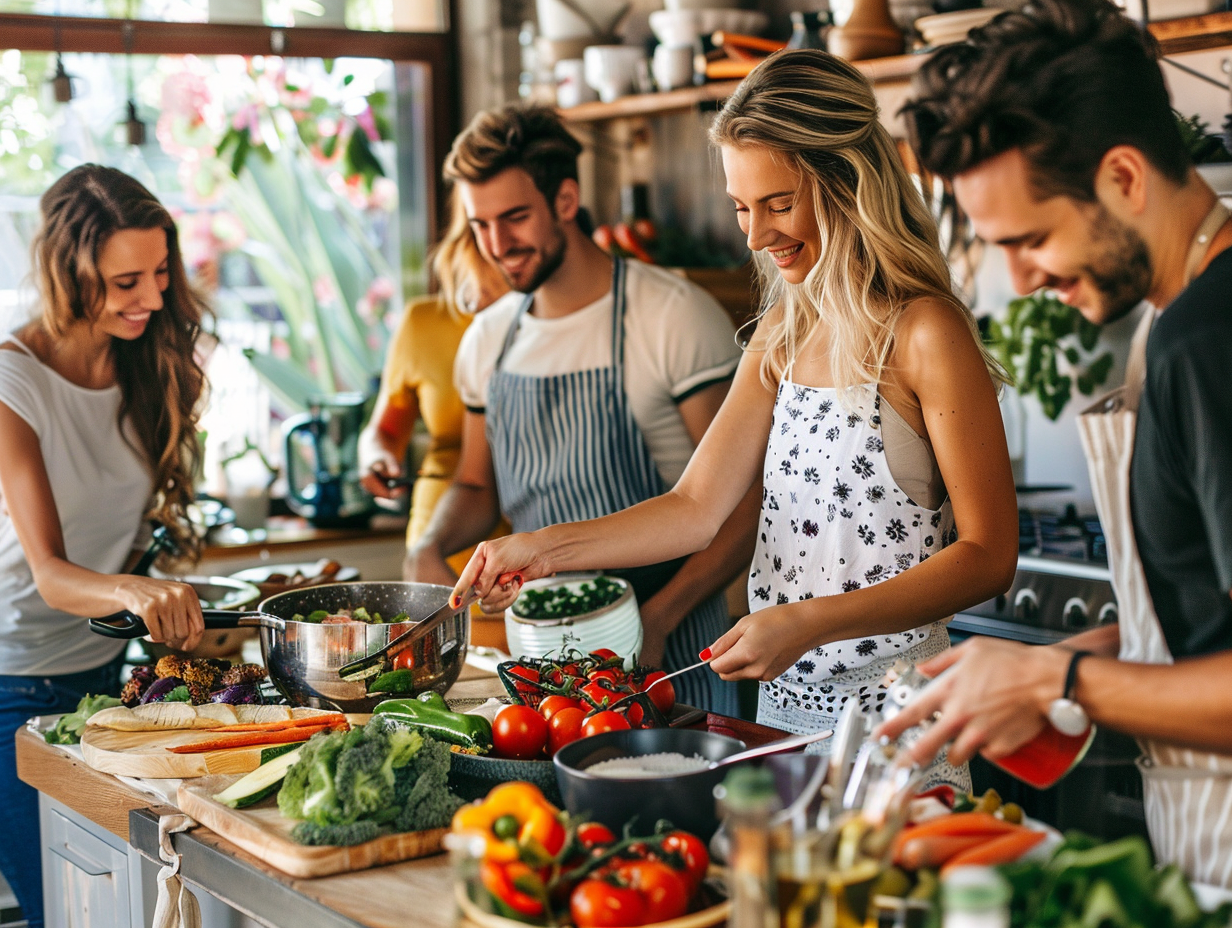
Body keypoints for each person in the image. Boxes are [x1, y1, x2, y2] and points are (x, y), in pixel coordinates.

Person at [451, 51, 1018, 780]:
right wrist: (542, 550)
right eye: (742, 208)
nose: (755, 237)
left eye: (779, 204)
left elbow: (989, 555)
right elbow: (694, 508)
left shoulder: (923, 332)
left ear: (849, 183)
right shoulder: (783, 333)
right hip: (781, 716)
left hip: (898, 719)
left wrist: (807, 622)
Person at [875, 0, 1232, 885]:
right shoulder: (1177, 319)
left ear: (1122, 177)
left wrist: (1053, 687)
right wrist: (1063, 659)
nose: (1022, 280)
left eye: (1032, 240)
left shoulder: (1210, 340)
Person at [404, 104, 759, 715]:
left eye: (514, 217)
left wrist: (659, 616)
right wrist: (427, 548)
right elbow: (474, 484)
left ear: (566, 200)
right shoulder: (488, 339)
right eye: (479, 225)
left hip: (669, 654)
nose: (496, 246)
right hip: (544, 665)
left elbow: (742, 503)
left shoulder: (671, 316)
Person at [0, 165, 208, 926]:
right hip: (9, 683)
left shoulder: (142, 360)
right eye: (127, 281)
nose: (152, 299)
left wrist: (171, 606)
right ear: (68, 272)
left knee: (120, 905)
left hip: (99, 673)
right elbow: (53, 575)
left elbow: (126, 536)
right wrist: (132, 593)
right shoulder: (12, 383)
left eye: (159, 273)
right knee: (66, 909)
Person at [358, 192, 510, 580]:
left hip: (535, 536)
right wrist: (377, 457)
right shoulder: (422, 323)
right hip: (443, 541)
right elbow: (386, 430)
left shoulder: (552, 320)